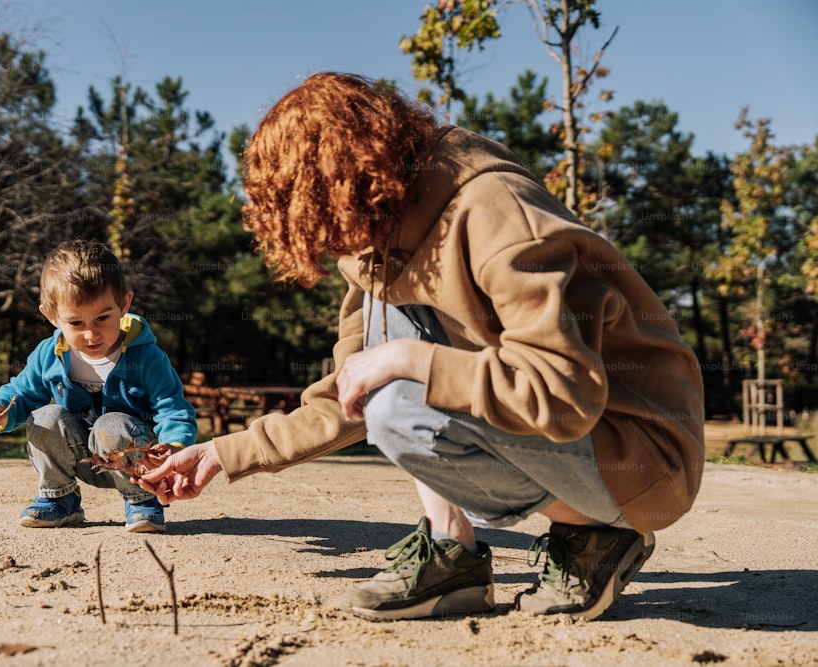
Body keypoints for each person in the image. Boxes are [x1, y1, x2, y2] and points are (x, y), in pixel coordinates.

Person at [136, 73, 705, 620]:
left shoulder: (493, 209)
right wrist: (220, 454)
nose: (332, 246)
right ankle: (450, 551)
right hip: (569, 441)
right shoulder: (376, 240)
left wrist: (411, 360)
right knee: (381, 392)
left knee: (396, 402)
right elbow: (348, 397)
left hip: (642, 457)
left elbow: (563, 391)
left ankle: (600, 532)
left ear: (351, 179)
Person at [0, 240, 197, 533]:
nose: (91, 333)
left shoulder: (146, 356)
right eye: (76, 322)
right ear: (51, 316)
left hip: (134, 462)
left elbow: (174, 409)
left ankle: (142, 501)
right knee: (44, 418)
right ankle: (59, 498)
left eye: (103, 318)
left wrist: (174, 447)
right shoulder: (49, 354)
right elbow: (22, 393)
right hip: (78, 457)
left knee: (112, 424)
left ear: (124, 304)